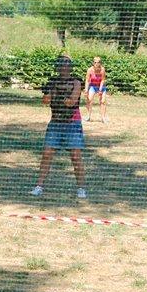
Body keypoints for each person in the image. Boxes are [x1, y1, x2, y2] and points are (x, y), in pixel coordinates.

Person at [30, 55, 88, 199]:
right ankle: (39, 186)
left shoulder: (76, 82)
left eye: (67, 64)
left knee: (75, 156)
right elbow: (45, 101)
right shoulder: (53, 82)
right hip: (56, 122)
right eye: (61, 65)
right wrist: (50, 92)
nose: (64, 67)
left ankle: (81, 188)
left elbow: (71, 102)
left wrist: (56, 94)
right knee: (47, 154)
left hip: (72, 123)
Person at [84, 56, 108, 123]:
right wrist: (86, 89)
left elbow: (103, 80)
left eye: (98, 62)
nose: (96, 64)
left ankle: (103, 118)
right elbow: (87, 80)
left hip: (101, 86)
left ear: (100, 63)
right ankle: (88, 116)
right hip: (93, 86)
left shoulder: (102, 69)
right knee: (89, 100)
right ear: (93, 62)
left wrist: (100, 90)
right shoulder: (90, 70)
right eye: (95, 62)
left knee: (103, 101)